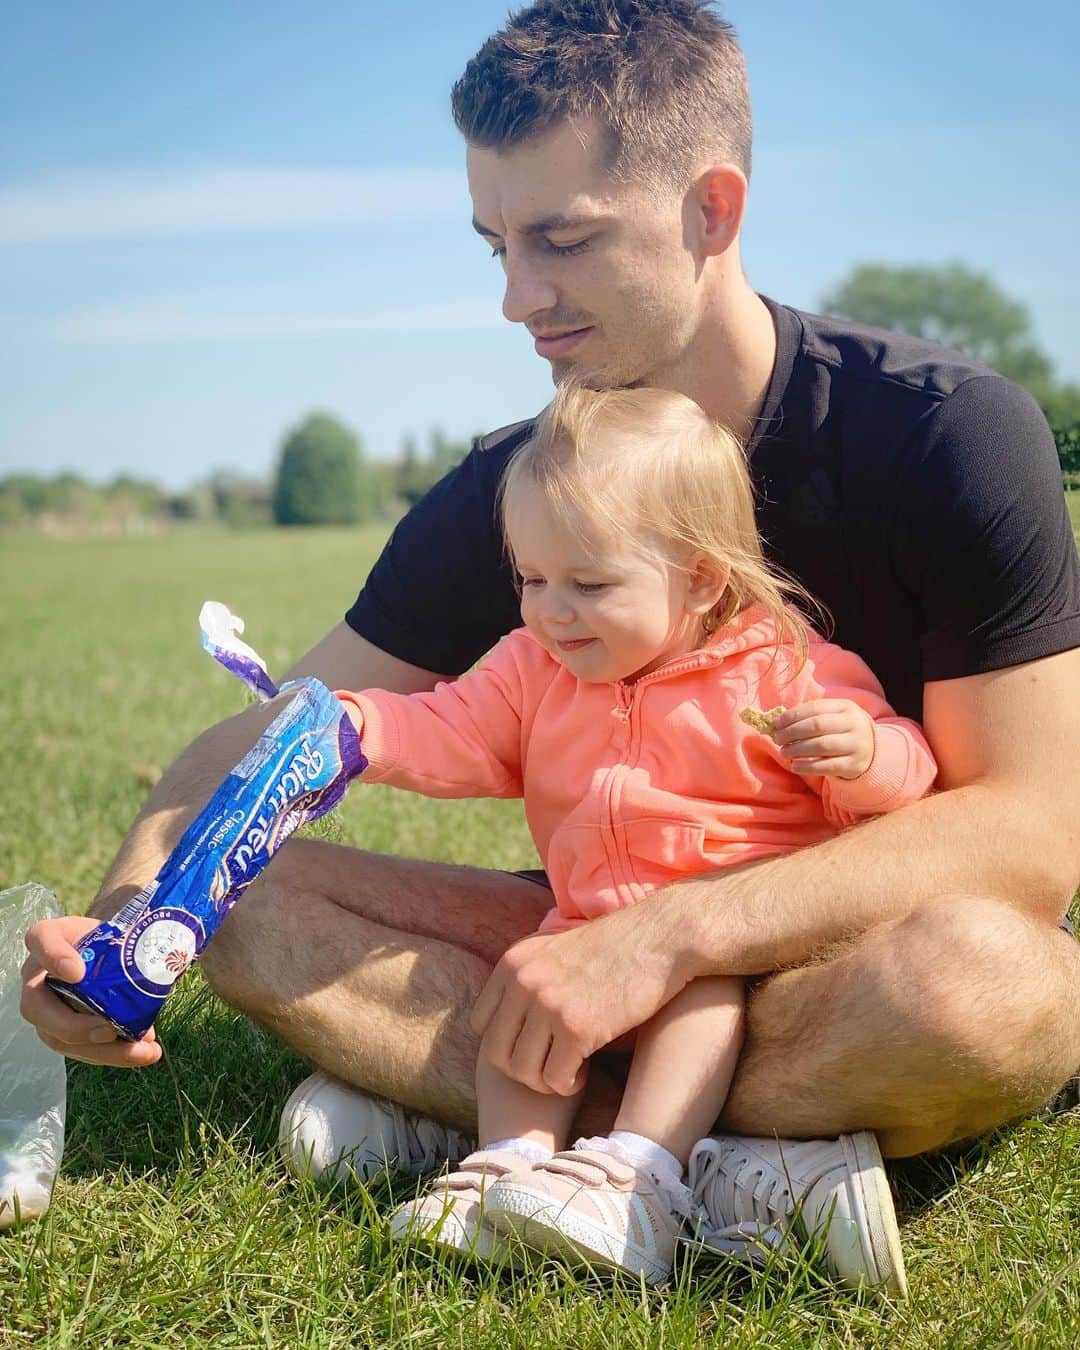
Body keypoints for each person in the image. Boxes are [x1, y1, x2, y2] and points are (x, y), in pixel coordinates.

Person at [21, 0, 1080, 1296]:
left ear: (712, 209)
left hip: (838, 957)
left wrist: (677, 936)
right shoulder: (526, 489)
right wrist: (137, 923)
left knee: (997, 981)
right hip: (576, 920)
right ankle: (733, 1171)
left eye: (562, 241)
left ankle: (505, 1129)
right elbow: (286, 727)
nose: (519, 298)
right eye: (497, 244)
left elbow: (1031, 838)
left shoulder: (945, 436)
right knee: (245, 895)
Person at [333, 382, 936, 1287]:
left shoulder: (779, 668)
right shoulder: (535, 668)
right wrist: (357, 730)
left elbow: (908, 784)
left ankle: (637, 1177)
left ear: (698, 575)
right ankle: (509, 1168)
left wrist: (862, 755)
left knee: (699, 997)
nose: (550, 611)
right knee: (527, 990)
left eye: (588, 582)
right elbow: (449, 726)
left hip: (732, 941)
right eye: (532, 579)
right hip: (588, 926)